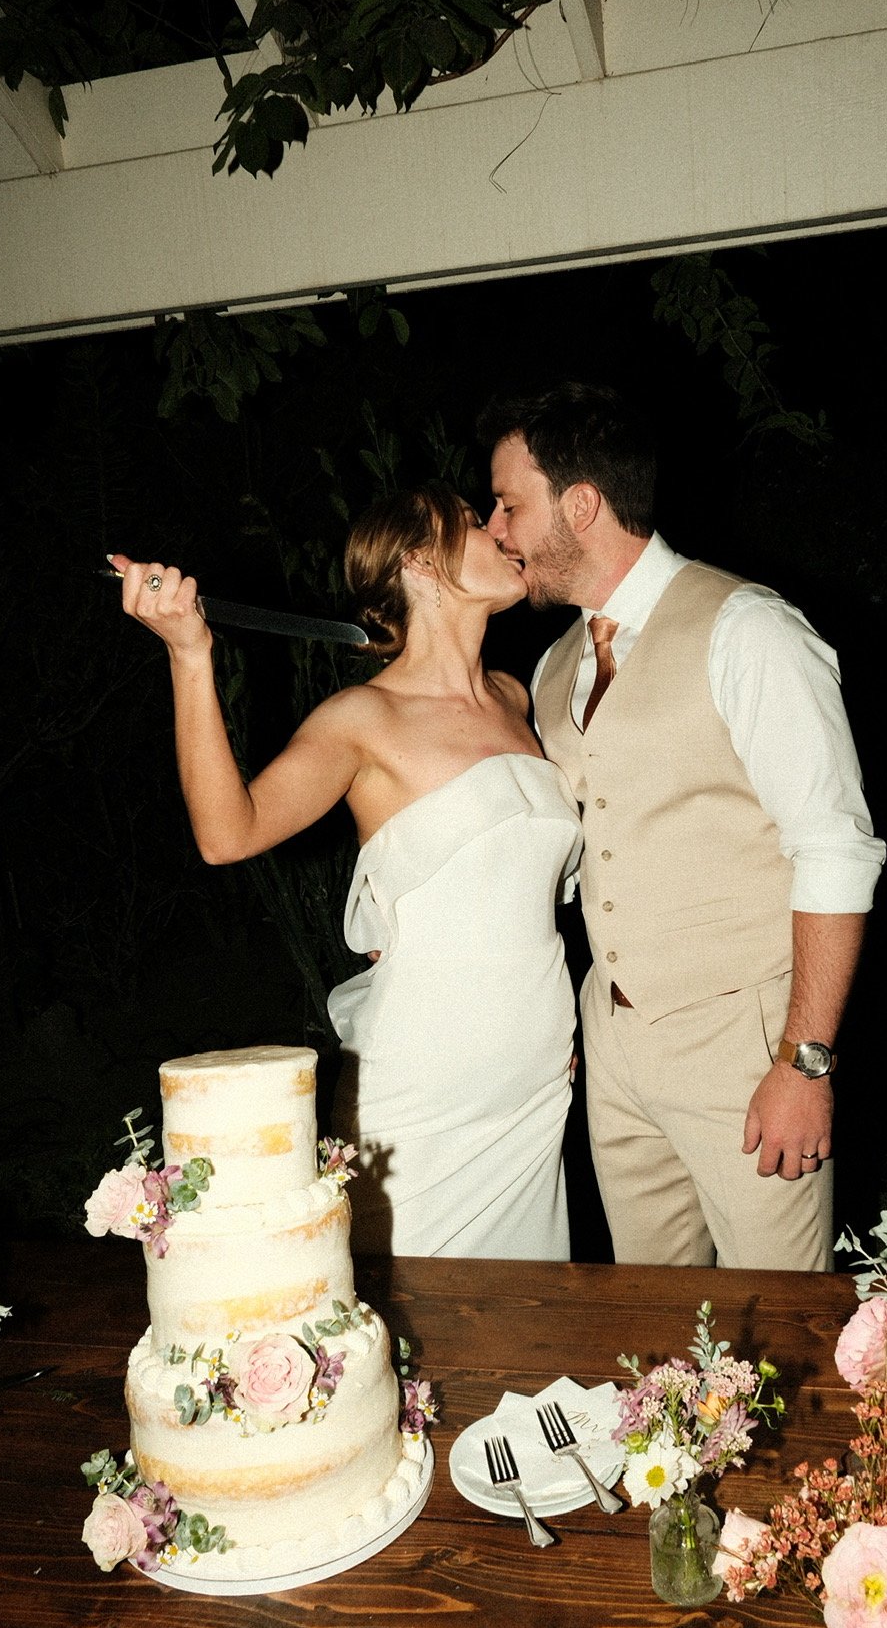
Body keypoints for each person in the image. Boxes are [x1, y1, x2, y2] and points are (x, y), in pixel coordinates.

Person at [110, 484, 581, 1260]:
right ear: (421, 563)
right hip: (425, 1081)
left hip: (532, 1079)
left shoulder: (513, 696)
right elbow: (227, 835)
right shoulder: (361, 720)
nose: (501, 531)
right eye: (473, 522)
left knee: (532, 1323)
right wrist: (188, 654)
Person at [482, 383, 885, 1271]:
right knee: (655, 1329)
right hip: (613, 1042)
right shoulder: (553, 669)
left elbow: (835, 850)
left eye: (510, 504)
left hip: (745, 1044)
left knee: (779, 1331)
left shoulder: (749, 631)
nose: (496, 528)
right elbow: (581, 862)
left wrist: (804, 1064)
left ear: (580, 505)